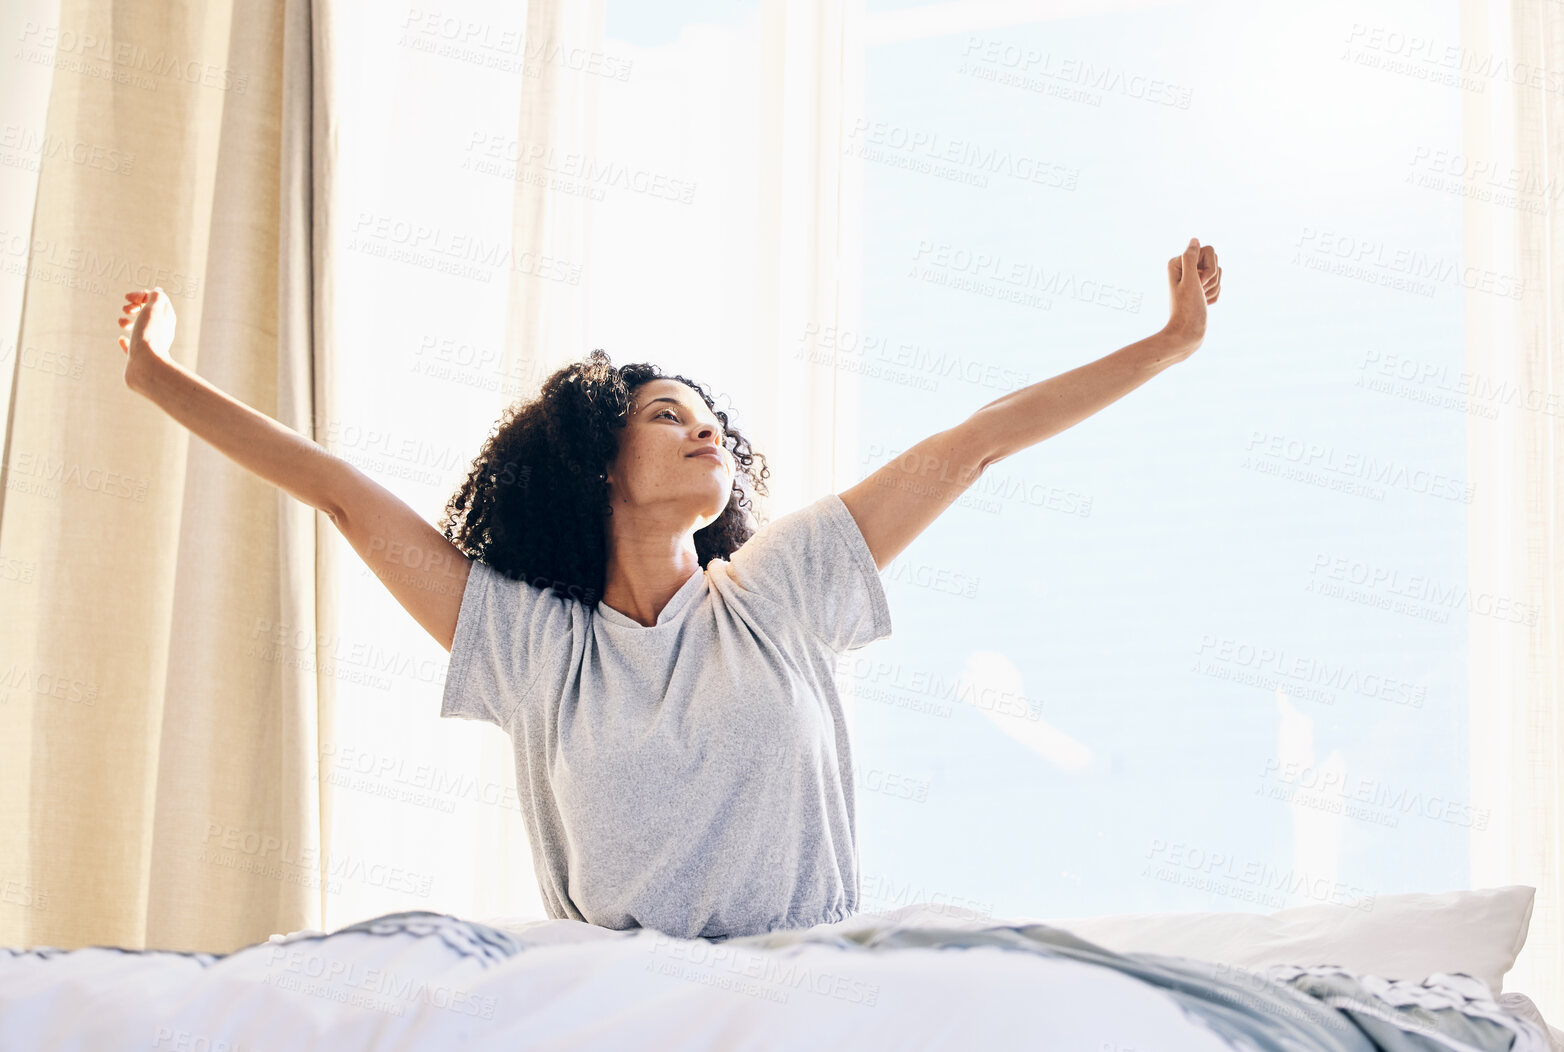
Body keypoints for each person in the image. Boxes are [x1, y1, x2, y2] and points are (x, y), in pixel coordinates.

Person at [115, 239, 1223, 940]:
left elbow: (970, 444)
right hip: (625, 1009)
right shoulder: (532, 643)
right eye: (665, 415)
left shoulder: (778, 587)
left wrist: (1167, 344)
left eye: (711, 421)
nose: (705, 431)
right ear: (596, 458)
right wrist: (157, 373)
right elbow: (342, 495)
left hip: (811, 984)